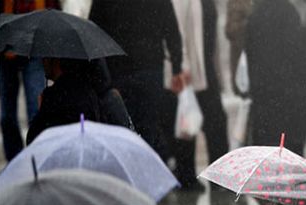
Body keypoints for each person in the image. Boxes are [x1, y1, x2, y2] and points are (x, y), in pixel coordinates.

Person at [89, 0, 184, 160]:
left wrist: (99, 72)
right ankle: (149, 171)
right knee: (149, 127)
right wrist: (176, 66)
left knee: (122, 128)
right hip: (150, 67)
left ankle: (129, 171)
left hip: (118, 70)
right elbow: (171, 27)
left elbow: (94, 30)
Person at [171, 0, 229, 191]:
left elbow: (213, 41)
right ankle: (188, 176)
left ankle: (215, 177)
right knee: (189, 122)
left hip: (206, 71)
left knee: (214, 122)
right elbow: (178, 30)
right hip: (191, 72)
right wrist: (183, 66)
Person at [245, 0, 306, 154]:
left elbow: (250, 54)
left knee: (265, 149)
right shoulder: (289, 13)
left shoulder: (256, 14)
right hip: (288, 96)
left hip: (263, 94)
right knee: (289, 149)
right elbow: (297, 54)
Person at [0, 0, 59, 161]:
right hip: (4, 48)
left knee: (36, 109)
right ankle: (15, 163)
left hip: (34, 46)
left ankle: (37, 159)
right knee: (7, 116)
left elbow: (52, 7)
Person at [26, 58, 101, 144]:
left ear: (56, 61)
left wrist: (40, 111)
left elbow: (33, 141)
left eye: (45, 58)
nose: (43, 63)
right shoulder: (89, 90)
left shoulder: (54, 95)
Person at [225, 0, 253, 96]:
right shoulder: (239, 3)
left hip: (241, 46)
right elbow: (231, 29)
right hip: (242, 46)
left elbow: (229, 30)